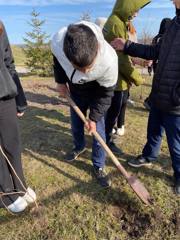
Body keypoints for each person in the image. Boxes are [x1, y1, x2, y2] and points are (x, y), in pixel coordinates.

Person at [111, 0, 180, 195]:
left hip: (176, 103)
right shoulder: (174, 24)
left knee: (176, 144)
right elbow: (154, 52)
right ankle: (149, 156)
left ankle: (179, 175)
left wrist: (177, 96)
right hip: (159, 95)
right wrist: (127, 45)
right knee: (154, 132)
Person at [51, 21, 118, 188]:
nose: (87, 72)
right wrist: (60, 82)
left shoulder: (109, 61)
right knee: (76, 122)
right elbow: (58, 61)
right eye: (81, 68)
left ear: (97, 49)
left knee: (98, 131)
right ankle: (78, 146)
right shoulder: (58, 43)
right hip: (76, 90)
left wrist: (94, 118)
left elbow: (106, 94)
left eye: (89, 67)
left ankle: (99, 164)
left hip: (98, 91)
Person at [103, 0, 149, 152]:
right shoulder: (116, 23)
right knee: (111, 112)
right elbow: (121, 60)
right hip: (115, 79)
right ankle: (105, 141)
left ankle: (106, 137)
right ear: (127, 6)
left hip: (119, 79)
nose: (136, 13)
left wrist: (141, 61)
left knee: (115, 110)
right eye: (135, 9)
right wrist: (137, 78)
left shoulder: (119, 22)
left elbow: (125, 52)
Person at [0, 21, 36, 212]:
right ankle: (6, 194)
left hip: (4, 94)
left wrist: (19, 98)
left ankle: (20, 187)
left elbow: (9, 62)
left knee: (12, 143)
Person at [143, 18, 171, 111]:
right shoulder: (161, 38)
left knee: (158, 84)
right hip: (159, 63)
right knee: (159, 84)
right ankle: (150, 102)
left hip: (157, 63)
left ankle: (150, 102)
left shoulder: (157, 37)